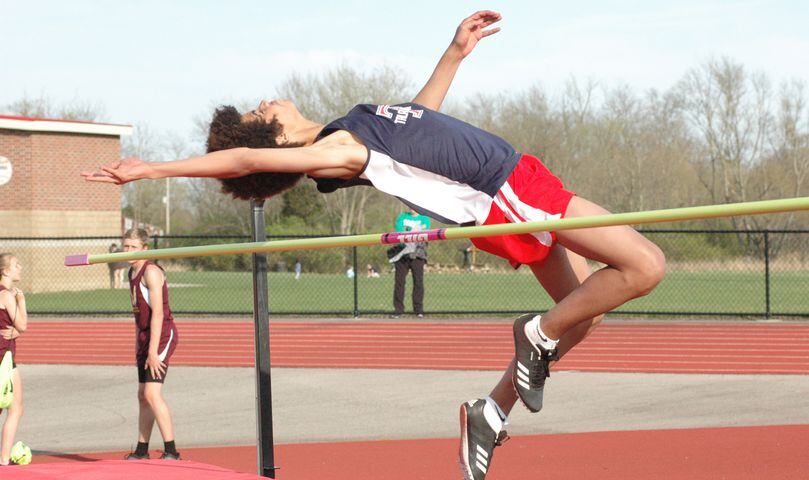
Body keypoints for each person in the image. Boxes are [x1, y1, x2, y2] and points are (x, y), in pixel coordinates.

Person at [83, 10, 665, 479]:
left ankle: (490, 410)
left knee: (581, 314)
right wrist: (152, 170)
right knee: (645, 266)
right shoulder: (337, 150)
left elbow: (422, 119)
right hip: (505, 189)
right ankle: (533, 334)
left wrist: (454, 54)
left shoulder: (352, 124)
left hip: (514, 183)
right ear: (278, 136)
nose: (270, 99)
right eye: (264, 110)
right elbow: (245, 158)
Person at [121, 229, 181, 461]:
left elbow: (157, 315)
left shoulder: (151, 272)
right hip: (146, 337)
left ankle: (171, 450)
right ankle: (142, 450)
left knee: (152, 393)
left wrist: (153, 352)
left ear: (145, 249)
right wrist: (140, 344)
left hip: (162, 335)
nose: (128, 251)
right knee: (142, 395)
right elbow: (140, 314)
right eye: (125, 246)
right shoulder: (131, 271)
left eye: (133, 247)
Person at [0, 253, 27, 466]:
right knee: (15, 407)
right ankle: (4, 458)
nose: (20, 268)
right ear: (6, 271)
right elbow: (23, 325)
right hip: (4, 358)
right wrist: (21, 300)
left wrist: (14, 333)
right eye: (16, 265)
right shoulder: (7, 295)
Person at [390, 209, 430, 318]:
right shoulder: (402, 217)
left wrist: (409, 235)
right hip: (402, 254)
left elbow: (422, 234)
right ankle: (398, 310)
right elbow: (399, 233)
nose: (411, 208)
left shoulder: (424, 218)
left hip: (418, 253)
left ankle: (418, 310)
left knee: (418, 282)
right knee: (399, 282)